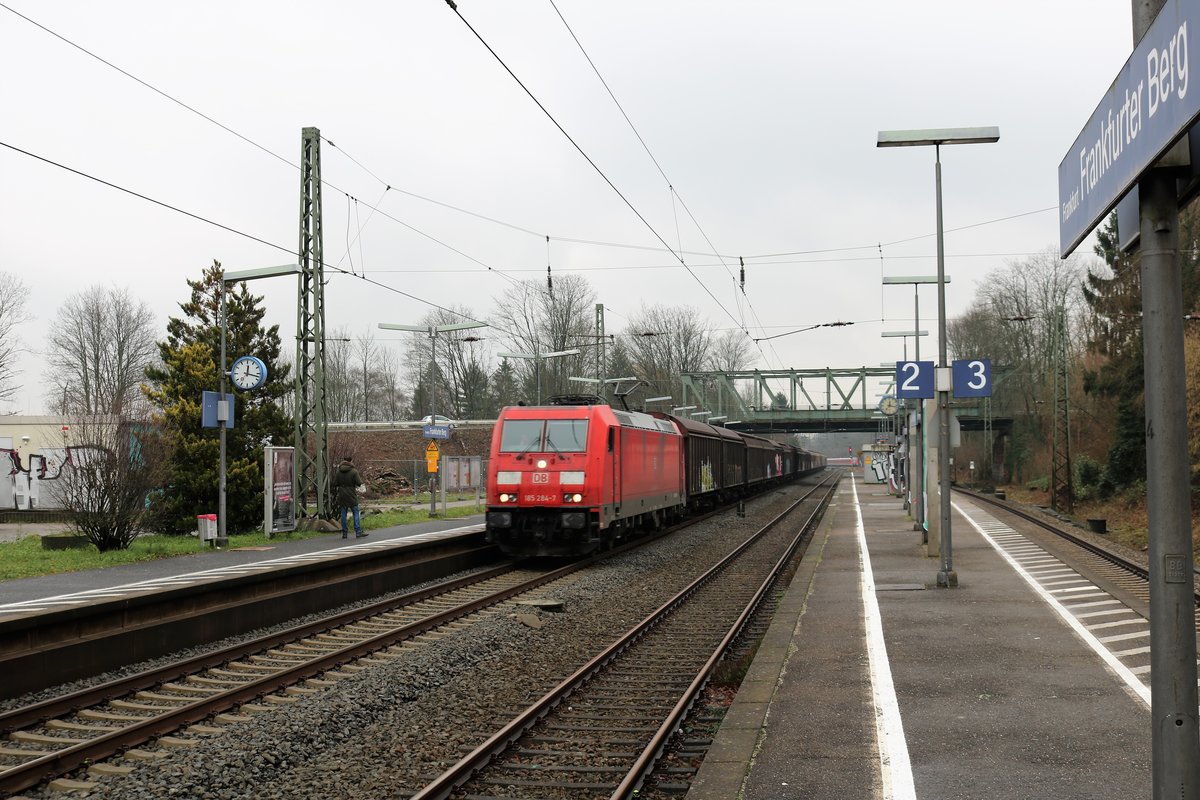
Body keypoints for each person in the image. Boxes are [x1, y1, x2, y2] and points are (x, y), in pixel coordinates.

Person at [332, 455, 366, 539]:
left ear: (343, 460)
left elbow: (335, 483)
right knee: (355, 512)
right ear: (351, 461)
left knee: (343, 513)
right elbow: (359, 482)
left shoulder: (339, 471)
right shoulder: (354, 471)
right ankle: (358, 531)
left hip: (342, 494)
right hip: (351, 494)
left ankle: (344, 532)